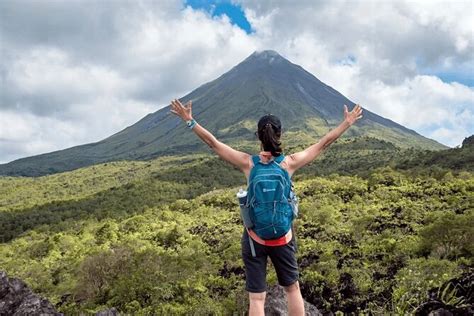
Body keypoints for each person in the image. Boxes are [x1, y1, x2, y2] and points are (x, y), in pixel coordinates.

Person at [170, 99, 363, 316]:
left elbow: (213, 143)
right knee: (292, 289)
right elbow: (323, 143)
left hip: (255, 238)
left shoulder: (248, 163)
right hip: (283, 237)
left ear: (258, 137)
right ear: (279, 135)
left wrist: (189, 120)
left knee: (257, 297)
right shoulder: (289, 163)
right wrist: (347, 123)